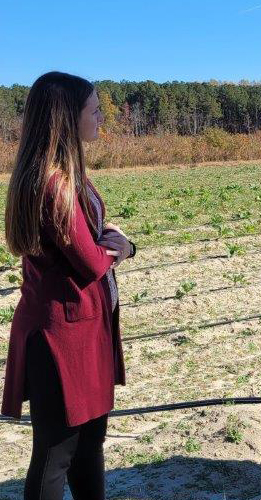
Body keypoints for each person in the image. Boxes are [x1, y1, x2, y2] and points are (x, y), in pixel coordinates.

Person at [1, 72, 136, 500]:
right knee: (57, 453)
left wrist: (105, 239)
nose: (101, 119)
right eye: (94, 111)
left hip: (80, 327)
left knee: (87, 445)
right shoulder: (54, 184)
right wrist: (121, 247)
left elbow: (83, 245)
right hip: (62, 337)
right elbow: (90, 260)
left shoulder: (60, 174)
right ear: (66, 119)